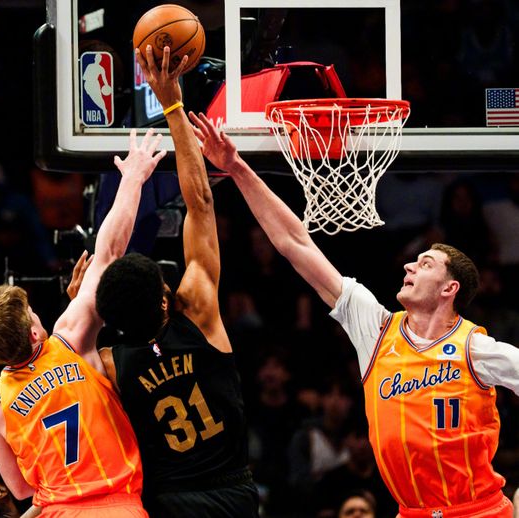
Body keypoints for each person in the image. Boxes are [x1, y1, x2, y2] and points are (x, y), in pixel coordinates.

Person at [188, 112, 519, 517]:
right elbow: (296, 244)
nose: (409, 266)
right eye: (413, 260)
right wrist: (237, 167)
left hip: (479, 510)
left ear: (450, 289)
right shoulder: (376, 330)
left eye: (426, 264)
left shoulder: (476, 348)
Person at [94, 46, 259, 518]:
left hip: (166, 501)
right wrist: (172, 103)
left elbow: (92, 297)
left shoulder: (110, 365)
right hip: (231, 493)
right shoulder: (200, 315)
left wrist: (79, 296)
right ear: (167, 300)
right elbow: (200, 201)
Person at [0, 129, 166, 516]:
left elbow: (20, 488)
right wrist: (133, 177)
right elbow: (109, 252)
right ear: (33, 332)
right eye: (31, 312)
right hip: (117, 505)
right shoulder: (69, 338)